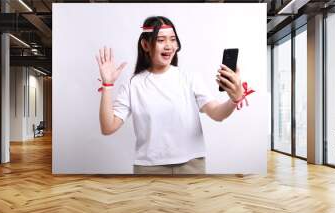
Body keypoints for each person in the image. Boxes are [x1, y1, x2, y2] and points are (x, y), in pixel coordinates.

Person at [96, 16, 248, 175]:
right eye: (161, 40)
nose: (169, 45)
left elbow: (217, 113)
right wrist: (107, 85)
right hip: (148, 168)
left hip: (191, 165)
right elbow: (108, 127)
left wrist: (234, 99)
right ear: (146, 44)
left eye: (173, 39)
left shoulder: (190, 78)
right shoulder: (132, 84)